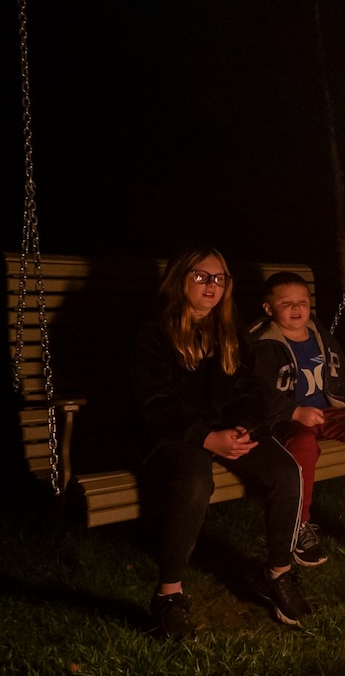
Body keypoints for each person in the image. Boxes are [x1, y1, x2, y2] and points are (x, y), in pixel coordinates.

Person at [132, 248, 311, 640]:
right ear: (182, 279)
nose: (212, 285)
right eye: (202, 277)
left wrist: (246, 425)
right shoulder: (155, 332)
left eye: (220, 279)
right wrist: (206, 437)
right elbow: (154, 403)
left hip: (226, 428)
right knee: (196, 484)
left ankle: (278, 573)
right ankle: (169, 594)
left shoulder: (230, 331)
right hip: (176, 434)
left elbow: (250, 389)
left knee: (285, 472)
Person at [250, 271, 345, 566]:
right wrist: (294, 412)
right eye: (287, 303)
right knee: (304, 445)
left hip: (326, 410)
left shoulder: (318, 333)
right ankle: (300, 525)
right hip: (286, 418)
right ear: (269, 309)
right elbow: (258, 391)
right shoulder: (263, 343)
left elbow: (342, 373)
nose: (297, 309)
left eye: (303, 302)